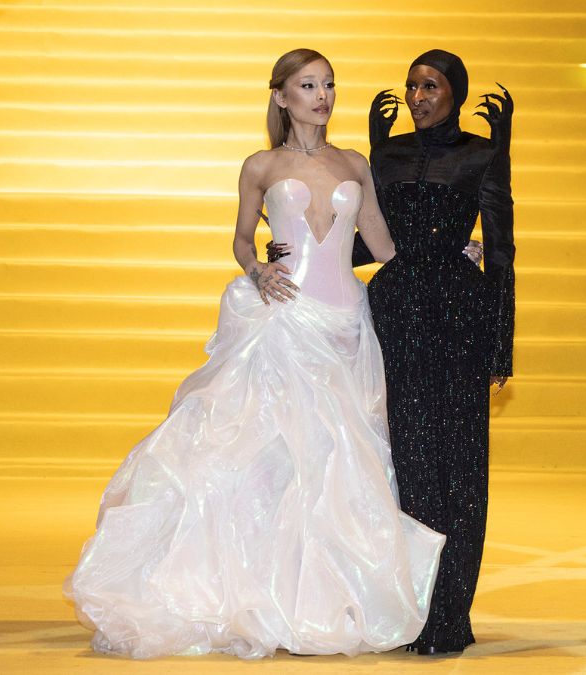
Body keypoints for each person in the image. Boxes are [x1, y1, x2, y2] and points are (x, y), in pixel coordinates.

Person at [64, 48, 445, 660]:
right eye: (307, 85)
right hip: (285, 323)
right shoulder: (260, 166)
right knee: (273, 458)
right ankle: (259, 590)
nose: (321, 96)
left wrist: (449, 260)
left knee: (339, 462)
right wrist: (257, 269)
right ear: (281, 96)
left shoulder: (354, 163)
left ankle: (326, 597)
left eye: (328, 85)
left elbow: (381, 245)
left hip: (347, 324)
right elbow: (243, 238)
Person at [355, 49, 515, 655]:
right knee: (409, 462)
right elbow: (368, 243)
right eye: (412, 86)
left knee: (461, 467)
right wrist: (296, 248)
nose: (419, 97)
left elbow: (500, 250)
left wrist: (502, 341)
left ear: (456, 92)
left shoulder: (482, 152)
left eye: (431, 86)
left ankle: (450, 612)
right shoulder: (387, 153)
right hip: (395, 312)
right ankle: (413, 609)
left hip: (459, 317)